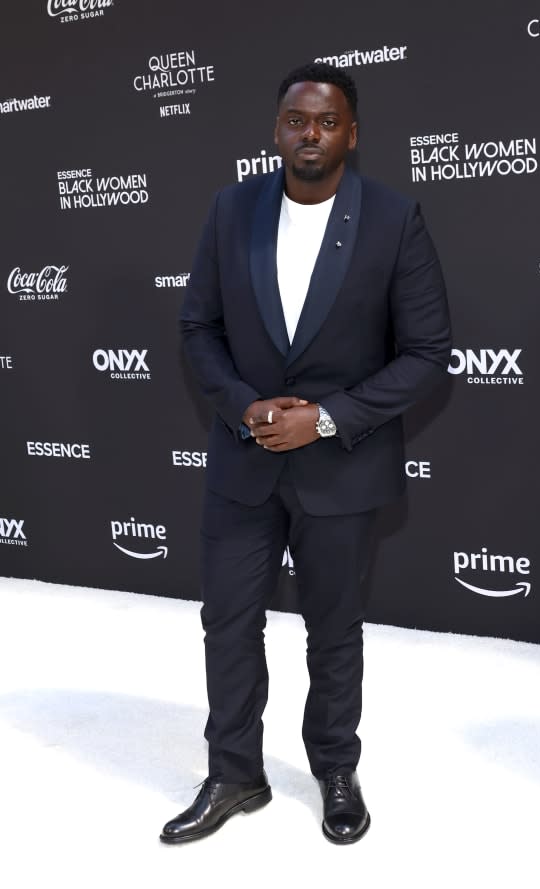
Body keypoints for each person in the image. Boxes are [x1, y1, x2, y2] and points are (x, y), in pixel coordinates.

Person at [160, 61, 451, 846]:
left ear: (351, 134)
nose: (310, 134)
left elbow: (426, 351)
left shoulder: (393, 218)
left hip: (341, 468)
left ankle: (333, 767)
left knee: (334, 629)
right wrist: (243, 405)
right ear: (277, 129)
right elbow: (198, 328)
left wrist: (323, 418)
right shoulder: (232, 211)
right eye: (296, 120)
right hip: (242, 460)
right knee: (227, 620)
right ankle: (234, 773)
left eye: (326, 121)